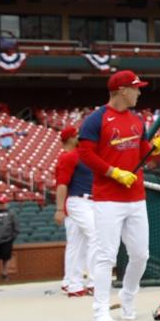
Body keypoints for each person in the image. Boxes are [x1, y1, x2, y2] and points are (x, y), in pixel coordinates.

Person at [76, 70, 160, 321]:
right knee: (106, 255)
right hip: (108, 198)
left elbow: (142, 154)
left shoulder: (138, 120)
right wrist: (113, 172)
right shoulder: (97, 119)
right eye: (135, 88)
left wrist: (154, 149)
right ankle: (100, 311)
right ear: (121, 90)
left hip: (136, 197)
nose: (139, 92)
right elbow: (85, 153)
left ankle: (128, 297)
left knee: (140, 254)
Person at [53, 126, 94, 297]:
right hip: (77, 200)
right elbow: (62, 184)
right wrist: (60, 209)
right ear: (70, 138)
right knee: (95, 235)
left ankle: (71, 282)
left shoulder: (79, 155)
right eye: (76, 135)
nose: (79, 137)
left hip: (84, 201)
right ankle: (93, 281)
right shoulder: (69, 157)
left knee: (76, 244)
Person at [0, 196, 19, 282]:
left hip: (7, 239)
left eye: (2, 203)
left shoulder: (12, 213)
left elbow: (16, 226)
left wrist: (12, 237)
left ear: (6, 203)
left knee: (6, 258)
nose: (1, 205)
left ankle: (5, 274)